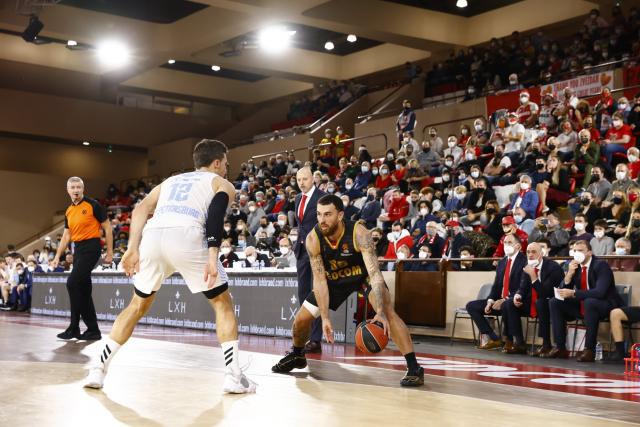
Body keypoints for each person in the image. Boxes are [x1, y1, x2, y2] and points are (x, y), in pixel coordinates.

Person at [82, 139, 256, 393]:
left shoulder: (170, 181)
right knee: (222, 303)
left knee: (136, 305)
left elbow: (142, 208)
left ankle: (98, 369)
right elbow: (216, 214)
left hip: (153, 236)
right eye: (226, 164)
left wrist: (132, 248)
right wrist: (212, 253)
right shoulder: (221, 183)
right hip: (187, 234)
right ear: (217, 162)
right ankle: (233, 375)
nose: (227, 168)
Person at [271, 195, 424, 386]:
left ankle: (414, 367)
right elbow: (319, 282)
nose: (322, 220)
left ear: (340, 215)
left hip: (363, 276)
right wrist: (325, 317)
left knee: (388, 314)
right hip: (334, 280)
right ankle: (297, 355)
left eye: (328, 215)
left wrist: (380, 311)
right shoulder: (313, 238)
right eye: (319, 215)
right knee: (301, 320)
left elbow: (375, 273)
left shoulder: (360, 233)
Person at [53, 177, 113, 341]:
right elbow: (67, 235)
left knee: (72, 283)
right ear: (68, 190)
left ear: (83, 188)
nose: (76, 190)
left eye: (78, 187)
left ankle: (74, 327)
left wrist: (109, 252)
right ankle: (93, 330)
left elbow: (107, 227)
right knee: (84, 291)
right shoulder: (69, 210)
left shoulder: (93, 205)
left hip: (92, 248)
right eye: (72, 187)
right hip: (78, 249)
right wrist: (59, 255)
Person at [544, 240, 624, 362]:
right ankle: (560, 347)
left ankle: (589, 349)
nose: (577, 253)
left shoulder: (601, 265)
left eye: (580, 251)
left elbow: (600, 292)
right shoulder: (574, 267)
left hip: (606, 305)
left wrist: (574, 293)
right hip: (584, 305)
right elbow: (562, 291)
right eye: (575, 251)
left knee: (590, 302)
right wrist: (569, 274)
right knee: (555, 302)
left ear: (590, 253)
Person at [465, 234, 527, 350]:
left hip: (517, 300)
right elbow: (496, 286)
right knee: (471, 306)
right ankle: (494, 338)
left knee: (507, 304)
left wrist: (505, 299)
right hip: (500, 300)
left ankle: (512, 340)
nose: (506, 245)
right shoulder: (502, 262)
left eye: (509, 242)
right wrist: (490, 301)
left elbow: (523, 286)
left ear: (518, 246)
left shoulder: (524, 261)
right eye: (504, 243)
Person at [508, 242, 564, 356]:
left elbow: (545, 293)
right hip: (532, 301)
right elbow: (523, 287)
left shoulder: (553, 267)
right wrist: (518, 295)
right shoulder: (527, 266)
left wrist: (533, 276)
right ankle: (519, 343)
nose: (530, 255)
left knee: (541, 302)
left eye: (533, 252)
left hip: (551, 302)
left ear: (541, 254)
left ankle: (546, 344)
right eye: (528, 252)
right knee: (509, 303)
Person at [293, 167, 326, 353]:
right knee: (303, 294)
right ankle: (304, 338)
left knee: (317, 294)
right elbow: (301, 224)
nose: (301, 182)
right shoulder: (298, 198)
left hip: (317, 251)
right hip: (301, 251)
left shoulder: (322, 197)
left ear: (313, 178)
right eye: (298, 180)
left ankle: (315, 340)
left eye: (305, 179)